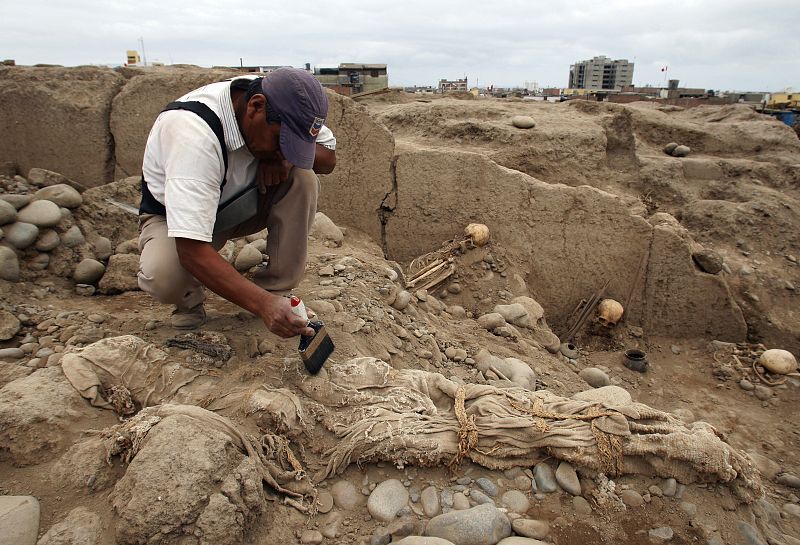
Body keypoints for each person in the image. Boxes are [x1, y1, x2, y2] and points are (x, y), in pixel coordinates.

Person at [137, 68, 336, 337]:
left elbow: (328, 159)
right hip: (175, 221)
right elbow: (191, 250)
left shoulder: (285, 105)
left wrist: (281, 158)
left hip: (239, 203)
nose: (283, 148)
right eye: (280, 141)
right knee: (164, 274)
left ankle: (277, 290)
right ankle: (190, 301)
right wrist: (262, 306)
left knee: (303, 177)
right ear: (256, 107)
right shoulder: (194, 135)